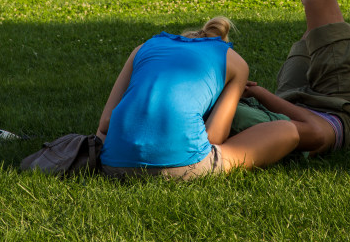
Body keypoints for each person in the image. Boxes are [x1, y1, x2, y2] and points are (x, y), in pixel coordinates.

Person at [96, 17, 299, 180]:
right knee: (287, 130)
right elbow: (214, 137)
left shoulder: (142, 48)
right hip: (184, 165)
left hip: (112, 164)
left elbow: (105, 124)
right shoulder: (235, 62)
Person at [230, 0, 350, 155]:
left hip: (287, 100)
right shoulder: (229, 128)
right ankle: (314, 20)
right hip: (337, 111)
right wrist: (257, 92)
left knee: (314, 27)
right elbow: (314, 130)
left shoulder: (202, 115)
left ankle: (314, 28)